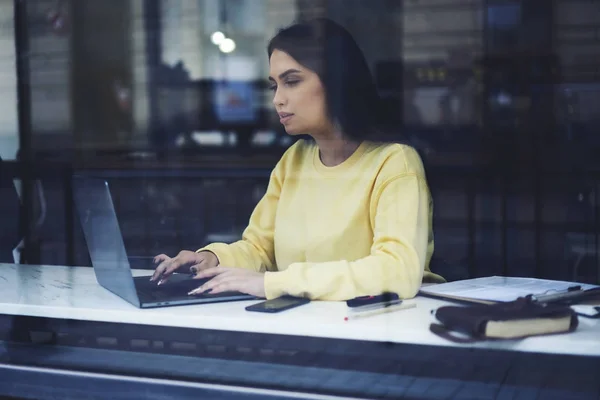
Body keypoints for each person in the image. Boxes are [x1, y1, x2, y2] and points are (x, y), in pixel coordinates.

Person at [151, 18, 445, 301]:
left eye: (291, 81)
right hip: (303, 324)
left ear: (337, 83)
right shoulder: (294, 160)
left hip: (382, 330)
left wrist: (275, 283)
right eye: (274, 86)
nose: (277, 99)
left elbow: (396, 271)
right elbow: (259, 249)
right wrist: (209, 258)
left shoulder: (395, 163)